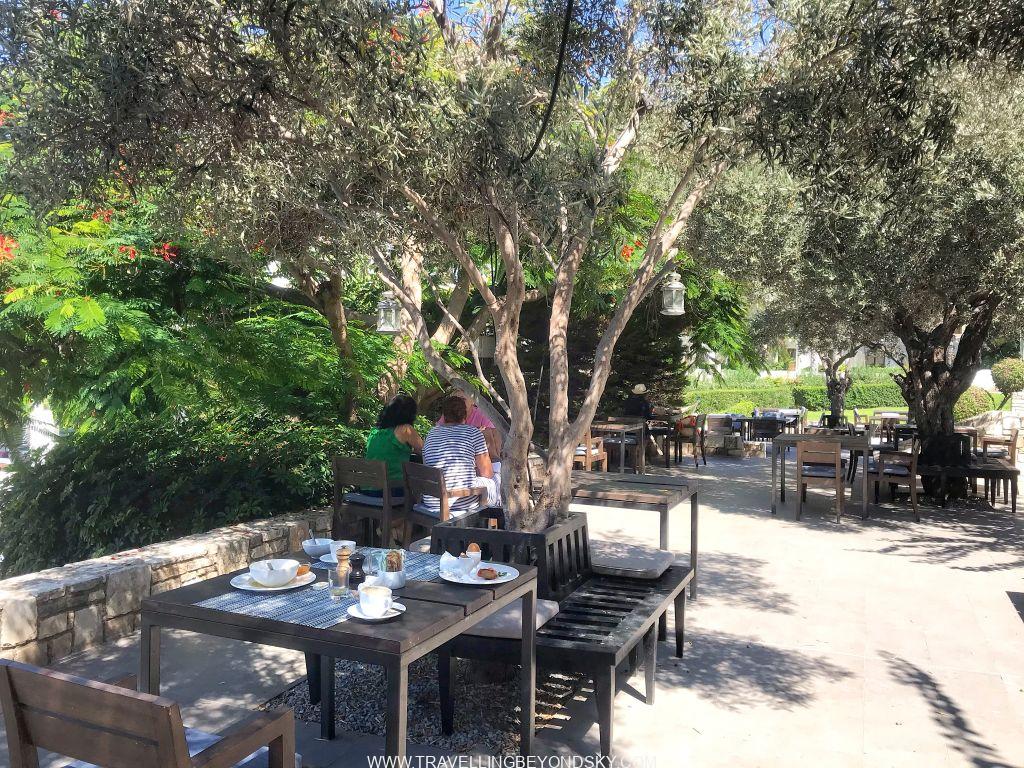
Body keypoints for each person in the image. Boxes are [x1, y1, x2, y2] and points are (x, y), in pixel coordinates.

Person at [422, 394, 494, 516]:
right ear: (465, 415)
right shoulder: (474, 433)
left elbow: (427, 464)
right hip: (461, 501)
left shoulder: (431, 433)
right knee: (493, 482)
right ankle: (486, 523)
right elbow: (487, 474)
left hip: (431, 500)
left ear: (444, 415)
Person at [363, 394, 423, 498]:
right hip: (389, 491)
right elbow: (426, 451)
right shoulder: (405, 429)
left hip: (366, 489)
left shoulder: (374, 432)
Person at [438, 389, 502, 463]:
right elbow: (439, 432)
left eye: (463, 399)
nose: (459, 403)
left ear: (473, 401)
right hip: (457, 448)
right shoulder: (448, 415)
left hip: (477, 450)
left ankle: (495, 461)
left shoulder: (481, 414)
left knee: (490, 432)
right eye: (456, 400)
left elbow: (493, 433)